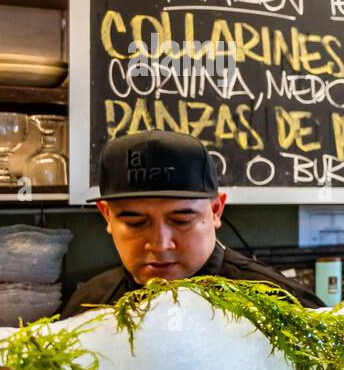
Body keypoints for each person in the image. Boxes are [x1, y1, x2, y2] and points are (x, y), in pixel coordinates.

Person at [61, 131, 324, 317]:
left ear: (215, 210)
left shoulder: (286, 306)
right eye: (136, 223)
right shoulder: (87, 307)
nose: (160, 244)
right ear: (107, 216)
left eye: (181, 220)